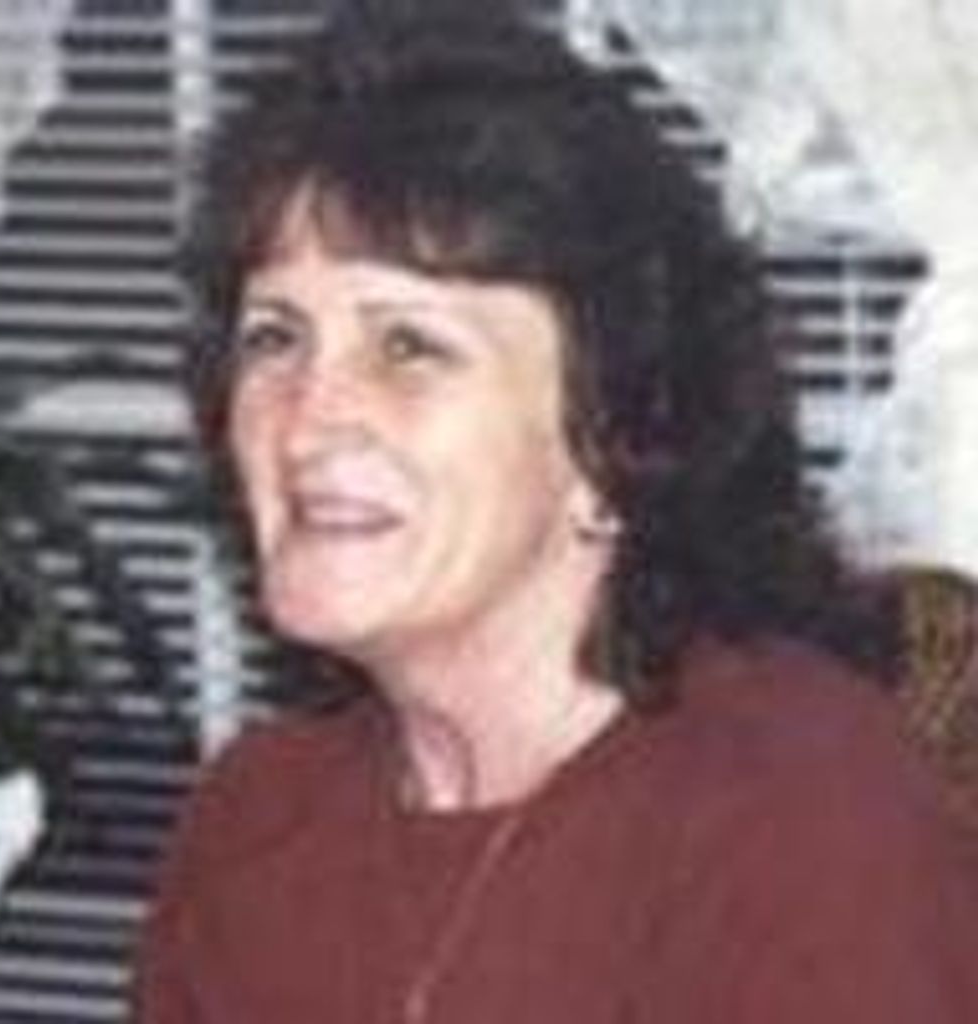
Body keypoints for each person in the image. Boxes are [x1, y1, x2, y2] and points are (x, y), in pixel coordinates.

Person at [134, 4, 978, 1022]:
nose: (307, 418)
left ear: (613, 433)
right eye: (274, 338)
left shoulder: (801, 813)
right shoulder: (256, 815)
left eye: (408, 345)